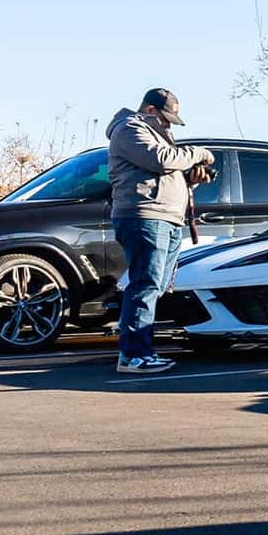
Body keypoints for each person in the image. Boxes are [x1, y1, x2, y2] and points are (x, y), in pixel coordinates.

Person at [105, 88, 215, 374]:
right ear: (150, 110)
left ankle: (142, 350)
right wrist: (198, 153)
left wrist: (190, 180)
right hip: (144, 217)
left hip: (167, 218)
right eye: (165, 118)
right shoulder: (129, 128)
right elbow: (162, 160)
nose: (168, 125)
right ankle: (133, 354)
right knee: (145, 284)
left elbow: (164, 171)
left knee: (157, 284)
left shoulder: (157, 133)